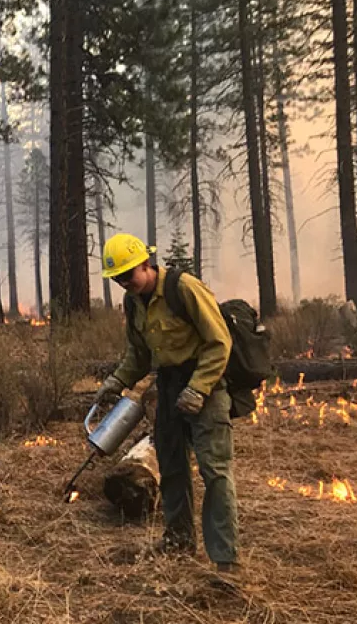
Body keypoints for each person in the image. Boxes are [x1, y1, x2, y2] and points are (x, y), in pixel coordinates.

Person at [94, 233, 240, 574]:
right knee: (172, 468)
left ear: (146, 264)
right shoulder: (134, 304)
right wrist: (118, 381)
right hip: (169, 388)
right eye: (117, 279)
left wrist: (199, 389)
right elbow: (139, 354)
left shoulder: (183, 288)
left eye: (127, 275)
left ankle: (226, 559)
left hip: (208, 388)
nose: (123, 283)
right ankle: (178, 540)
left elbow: (220, 342)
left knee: (215, 472)